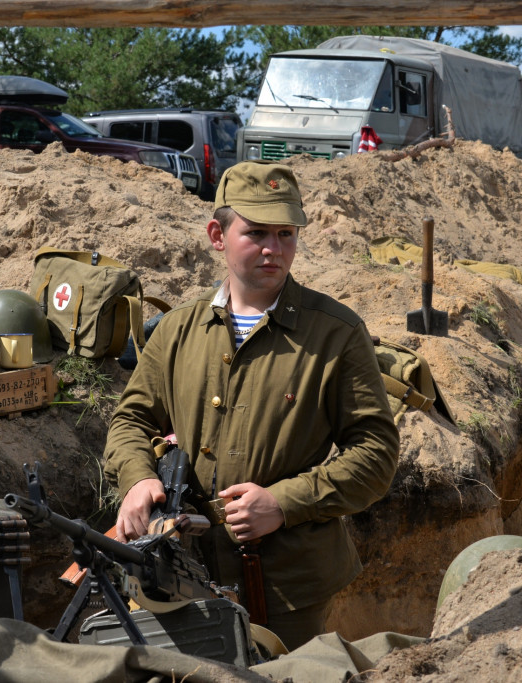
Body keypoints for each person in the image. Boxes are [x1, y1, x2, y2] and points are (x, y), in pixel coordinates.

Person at [103, 161, 400, 650]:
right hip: (183, 571)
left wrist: (283, 503)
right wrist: (138, 478)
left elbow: (375, 454)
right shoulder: (179, 330)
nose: (274, 248)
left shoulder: (335, 334)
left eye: (286, 233)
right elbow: (131, 418)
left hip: (287, 586)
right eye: (256, 232)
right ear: (217, 235)